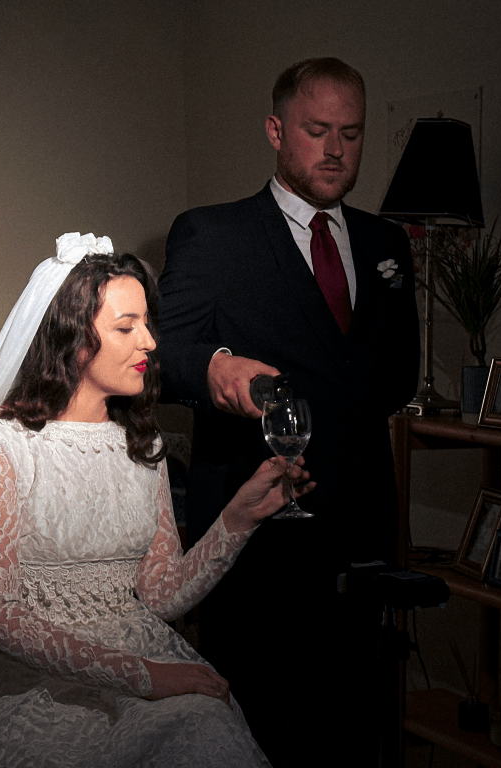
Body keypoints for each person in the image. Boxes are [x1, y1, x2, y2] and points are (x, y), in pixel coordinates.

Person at [0, 233, 313, 768]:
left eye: (146, 324)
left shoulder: (145, 443)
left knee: (204, 734)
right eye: (125, 327)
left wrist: (238, 519)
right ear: (72, 337)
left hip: (141, 658)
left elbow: (159, 595)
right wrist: (145, 675)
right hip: (16, 677)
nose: (150, 343)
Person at [157, 57, 420, 765]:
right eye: (316, 130)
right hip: (257, 543)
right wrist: (215, 369)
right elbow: (159, 357)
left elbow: (398, 375)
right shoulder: (212, 237)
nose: (335, 150)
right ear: (276, 130)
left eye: (352, 133)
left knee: (357, 730)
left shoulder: (388, 245)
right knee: (258, 736)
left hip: (362, 529)